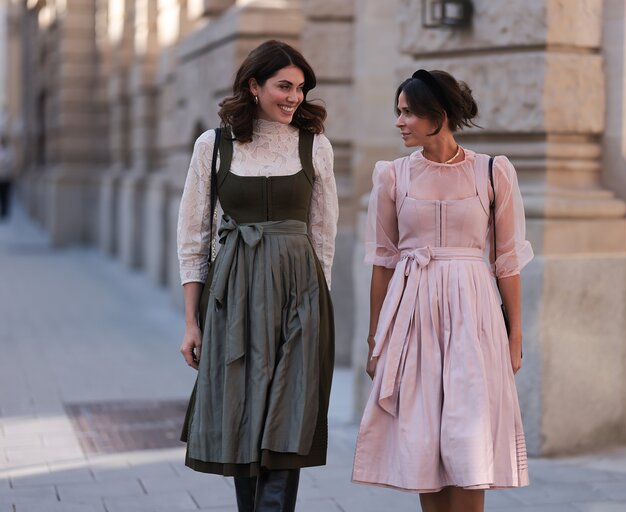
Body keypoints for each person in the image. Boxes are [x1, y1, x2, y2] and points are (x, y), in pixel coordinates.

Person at [352, 69, 533, 512]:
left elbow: (507, 262)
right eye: (398, 112)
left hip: (474, 316)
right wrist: (376, 340)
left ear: (441, 115)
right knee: (422, 434)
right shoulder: (391, 177)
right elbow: (383, 263)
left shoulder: (493, 172)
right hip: (413, 315)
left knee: (469, 435)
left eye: (409, 112)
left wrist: (515, 337)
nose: (400, 122)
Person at [176, 40, 338, 512]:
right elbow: (193, 237)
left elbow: (324, 235)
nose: (294, 97)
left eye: (301, 88)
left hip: (300, 294)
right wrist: (191, 322)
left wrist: (318, 307)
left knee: (290, 415)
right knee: (241, 416)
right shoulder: (214, 145)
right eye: (283, 86)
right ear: (254, 85)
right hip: (234, 294)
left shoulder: (316, 146)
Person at [0, 137, 15, 220]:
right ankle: (3, 212)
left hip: (6, 178)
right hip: (2, 178)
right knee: (3, 196)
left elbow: (12, 164)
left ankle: (5, 212)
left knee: (6, 196)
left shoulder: (9, 152)